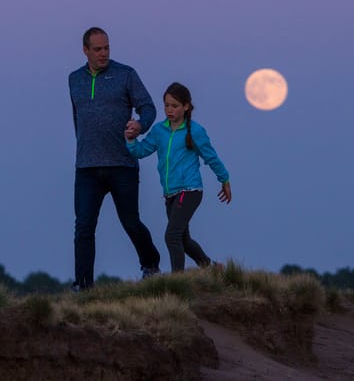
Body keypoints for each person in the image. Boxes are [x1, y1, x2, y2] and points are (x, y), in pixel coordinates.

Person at [68, 27, 162, 291]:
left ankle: (150, 264)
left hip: (122, 164)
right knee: (83, 227)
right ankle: (83, 285)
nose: (103, 53)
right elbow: (78, 118)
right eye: (98, 49)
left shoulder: (126, 74)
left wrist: (140, 125)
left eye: (106, 48)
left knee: (131, 222)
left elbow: (148, 107)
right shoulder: (74, 79)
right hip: (87, 166)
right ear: (85, 50)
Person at [125, 82, 231, 272]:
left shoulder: (195, 131)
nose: (169, 110)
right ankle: (212, 268)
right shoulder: (159, 131)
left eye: (174, 105)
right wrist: (131, 139)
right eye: (166, 105)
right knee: (183, 239)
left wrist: (224, 180)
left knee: (172, 236)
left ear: (186, 106)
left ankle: (178, 282)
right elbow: (141, 151)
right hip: (170, 193)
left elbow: (211, 157)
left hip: (189, 190)